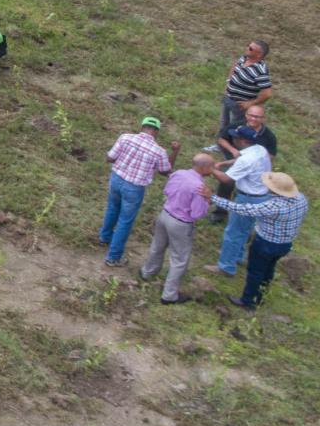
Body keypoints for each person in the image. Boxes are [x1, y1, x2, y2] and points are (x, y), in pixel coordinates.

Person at [206, 171, 306, 309]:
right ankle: (260, 297)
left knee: (255, 272)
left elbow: (243, 209)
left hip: (266, 243)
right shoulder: (301, 199)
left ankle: (247, 301)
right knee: (268, 270)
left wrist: (214, 198)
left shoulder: (275, 206)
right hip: (285, 244)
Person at [142, 152, 217, 303]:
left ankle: (147, 272)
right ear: (205, 168)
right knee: (179, 259)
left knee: (157, 246)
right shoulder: (199, 187)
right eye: (212, 166)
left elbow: (167, 191)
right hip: (181, 224)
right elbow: (197, 213)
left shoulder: (178, 173)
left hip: (165, 214)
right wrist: (208, 201)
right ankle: (169, 296)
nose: (214, 169)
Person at [100, 116, 174, 265]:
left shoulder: (125, 137)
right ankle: (113, 257)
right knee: (125, 221)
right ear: (156, 131)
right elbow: (165, 171)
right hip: (134, 188)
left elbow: (110, 158)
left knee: (112, 208)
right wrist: (175, 151)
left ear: (142, 127)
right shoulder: (159, 151)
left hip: (116, 179)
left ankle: (105, 237)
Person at [211, 123, 274, 275]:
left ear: (243, 141)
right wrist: (224, 163)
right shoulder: (260, 149)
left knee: (233, 232)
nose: (233, 139)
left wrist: (209, 168)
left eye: (235, 137)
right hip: (261, 196)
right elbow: (240, 159)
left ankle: (226, 267)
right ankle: (238, 256)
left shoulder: (247, 160)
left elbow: (226, 179)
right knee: (244, 230)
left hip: (248, 198)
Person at [220, 40, 273, 133]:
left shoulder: (260, 71)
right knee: (224, 121)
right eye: (248, 46)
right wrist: (229, 81)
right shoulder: (244, 58)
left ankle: (230, 146)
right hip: (228, 97)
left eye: (250, 48)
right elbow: (235, 66)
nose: (247, 49)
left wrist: (251, 103)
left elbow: (267, 94)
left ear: (259, 54)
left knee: (234, 127)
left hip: (240, 105)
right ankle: (220, 144)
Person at [216, 103, 279, 167]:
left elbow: (271, 155)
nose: (253, 119)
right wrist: (233, 150)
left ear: (263, 118)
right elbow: (221, 139)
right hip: (231, 158)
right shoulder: (236, 125)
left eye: (257, 117)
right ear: (246, 115)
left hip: (253, 164)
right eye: (251, 115)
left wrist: (257, 163)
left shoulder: (269, 136)